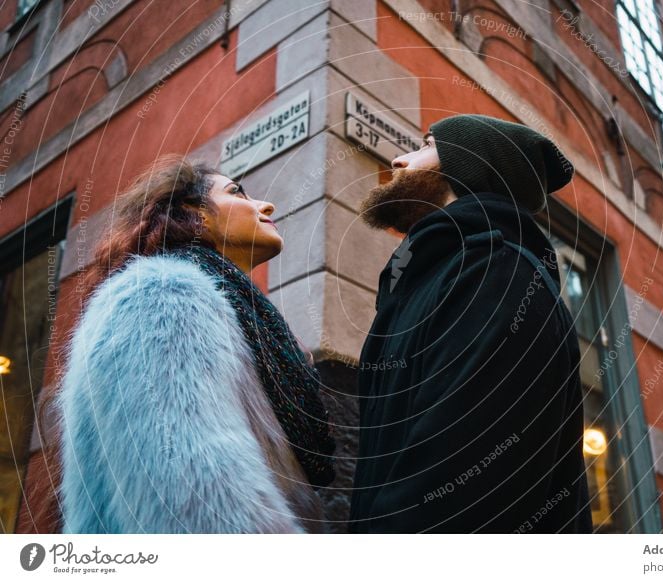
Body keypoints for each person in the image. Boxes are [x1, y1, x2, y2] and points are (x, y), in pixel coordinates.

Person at [48, 154, 335, 533]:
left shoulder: (237, 315)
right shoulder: (162, 295)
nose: (265, 205)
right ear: (191, 213)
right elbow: (197, 497)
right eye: (237, 192)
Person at [349, 114, 593, 533]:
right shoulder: (425, 282)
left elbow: (454, 482)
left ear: (471, 165)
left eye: (426, 145)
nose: (400, 160)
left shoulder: (498, 274)